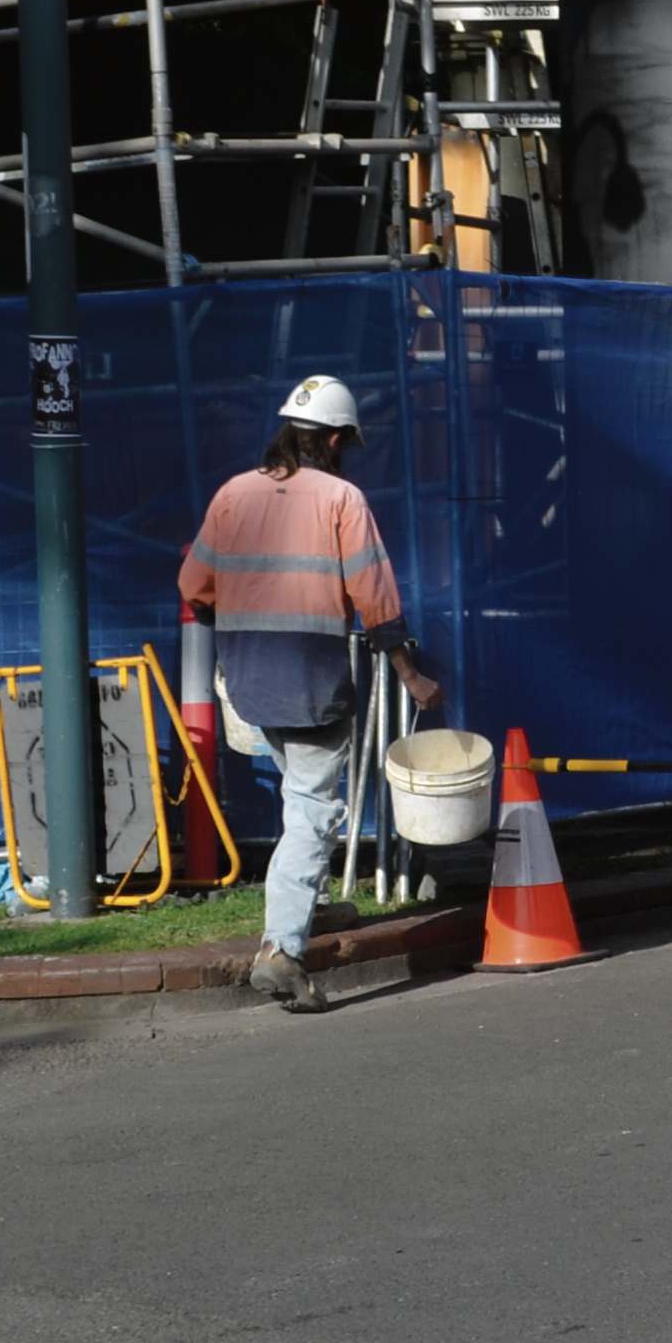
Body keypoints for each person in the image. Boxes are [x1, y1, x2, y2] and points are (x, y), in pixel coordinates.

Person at [179, 373, 434, 1012]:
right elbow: (375, 597)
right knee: (314, 810)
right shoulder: (341, 499)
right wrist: (411, 674)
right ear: (338, 439)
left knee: (299, 799)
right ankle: (283, 951)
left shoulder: (233, 493)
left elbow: (194, 586)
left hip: (249, 677)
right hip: (312, 675)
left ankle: (310, 904)